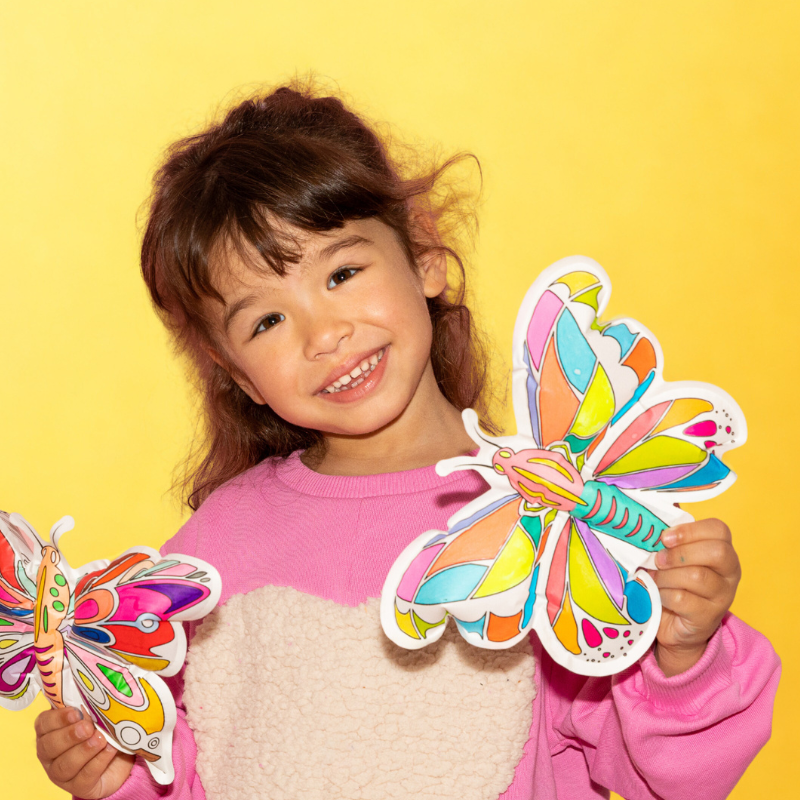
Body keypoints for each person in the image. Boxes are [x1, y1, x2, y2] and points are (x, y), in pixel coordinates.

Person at [33, 81, 779, 800]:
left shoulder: (553, 520)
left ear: (424, 257)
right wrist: (118, 774)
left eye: (342, 273)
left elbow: (678, 777)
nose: (325, 335)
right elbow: (188, 763)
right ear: (240, 376)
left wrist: (684, 654)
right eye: (268, 321)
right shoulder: (213, 551)